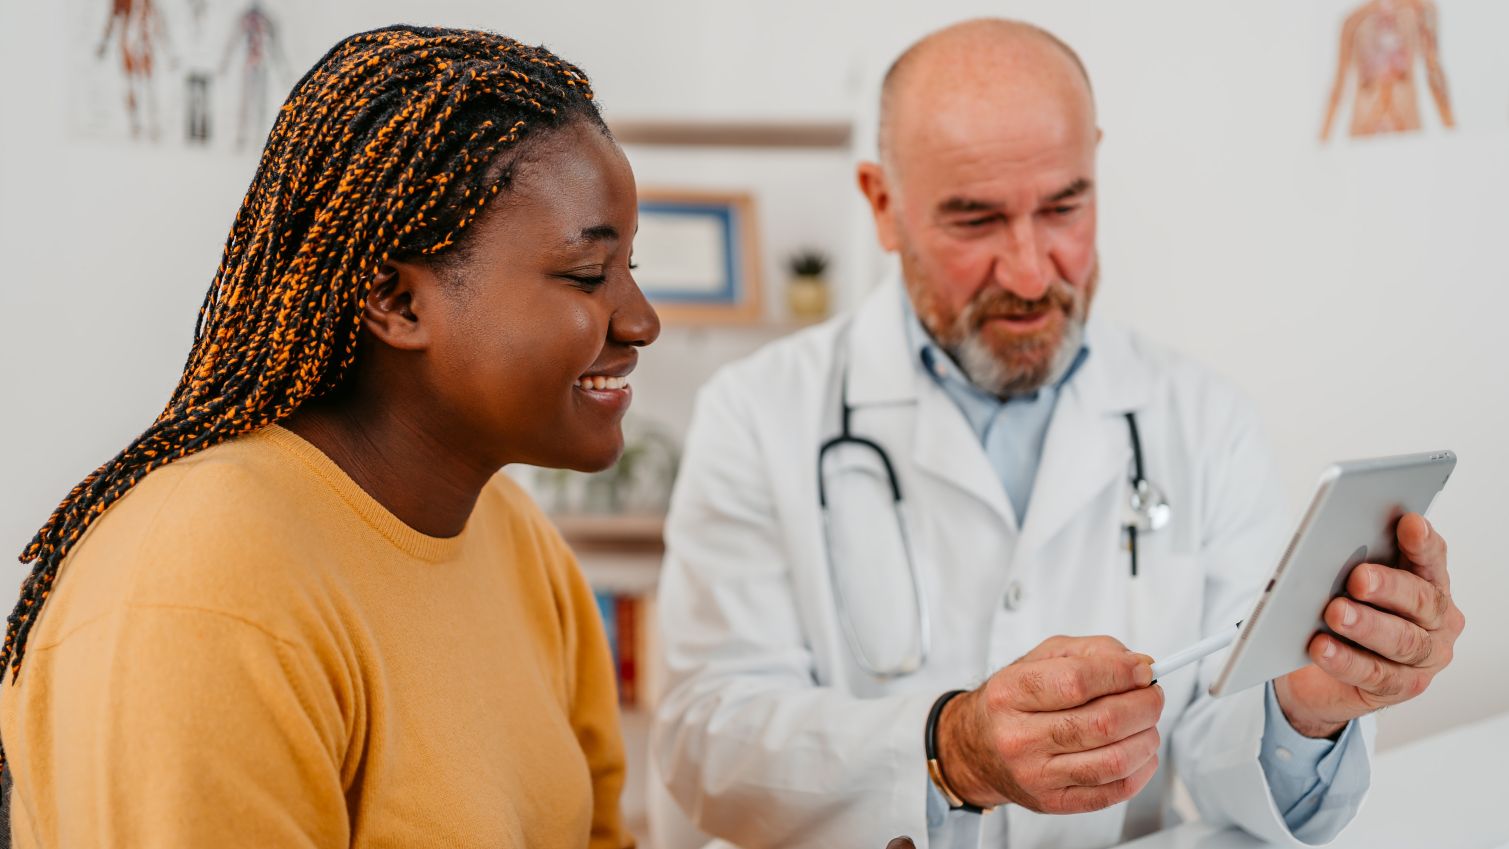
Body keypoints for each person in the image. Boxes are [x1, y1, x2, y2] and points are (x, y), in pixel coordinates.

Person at [650, 18, 1464, 849]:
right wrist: (949, 752)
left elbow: (1223, 749)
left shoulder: (1202, 419)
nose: (1031, 272)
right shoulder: (755, 414)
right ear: (883, 204)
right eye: (973, 220)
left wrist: (1307, 706)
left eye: (1064, 206)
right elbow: (702, 733)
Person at [0, 25, 657, 848]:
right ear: (396, 301)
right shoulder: (202, 590)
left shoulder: (519, 542)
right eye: (589, 275)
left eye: (634, 266)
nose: (640, 320)